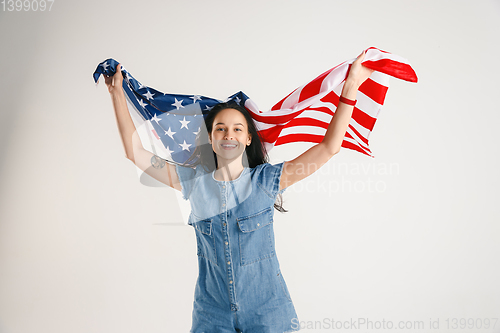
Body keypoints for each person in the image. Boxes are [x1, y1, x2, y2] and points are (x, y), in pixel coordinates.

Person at [104, 51, 374, 333]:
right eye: (220, 129)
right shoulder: (193, 182)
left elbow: (329, 147)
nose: (228, 135)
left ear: (247, 138)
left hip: (268, 312)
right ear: (211, 138)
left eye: (236, 129)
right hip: (212, 315)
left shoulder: (266, 180)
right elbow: (135, 152)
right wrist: (117, 93)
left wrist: (350, 88)